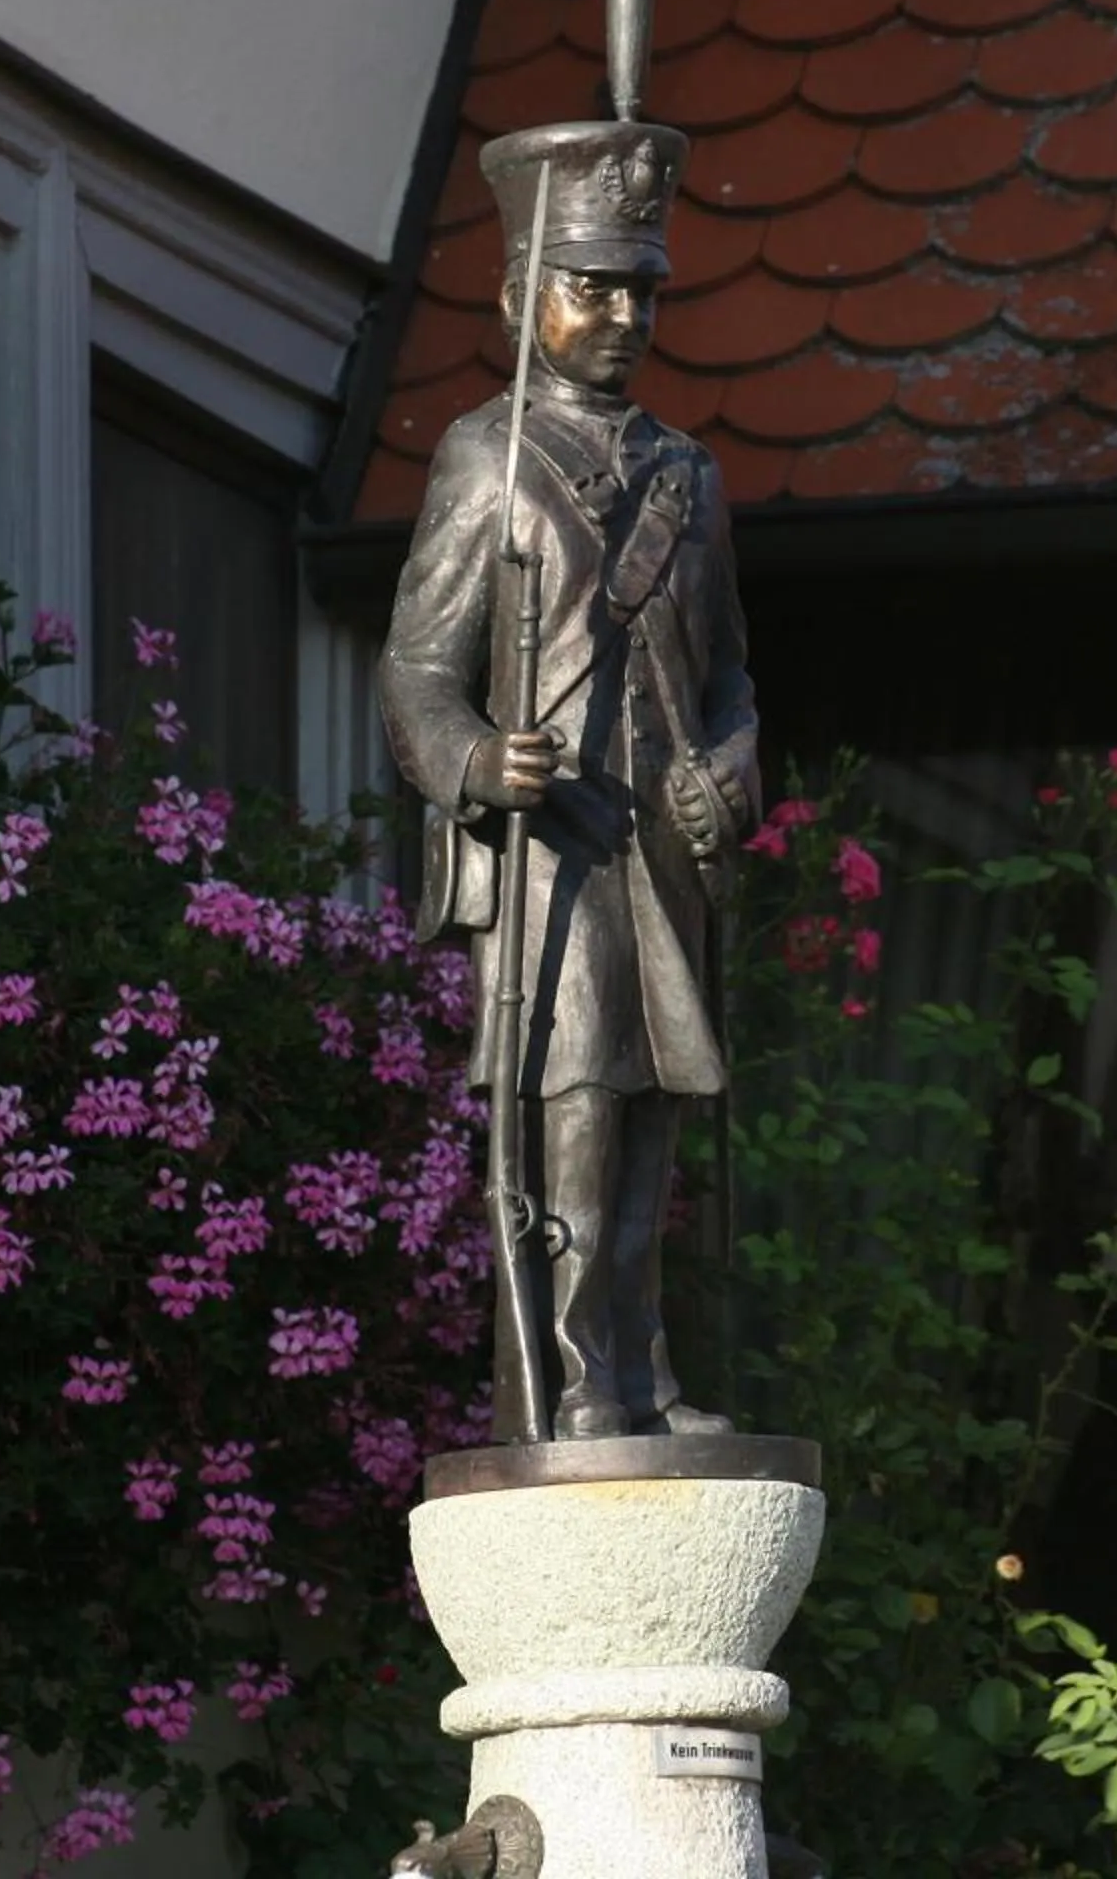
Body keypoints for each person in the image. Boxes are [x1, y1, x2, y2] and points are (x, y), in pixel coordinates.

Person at [378, 110, 759, 1443]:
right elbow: (417, 672)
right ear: (517, 295)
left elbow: (730, 682)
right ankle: (581, 1388)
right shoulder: (488, 460)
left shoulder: (689, 478)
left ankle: (641, 1374)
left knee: (651, 1130)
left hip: (656, 852)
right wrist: (483, 757)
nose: (617, 314)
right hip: (553, 861)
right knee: (576, 1130)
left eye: (638, 287)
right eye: (588, 284)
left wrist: (732, 771)